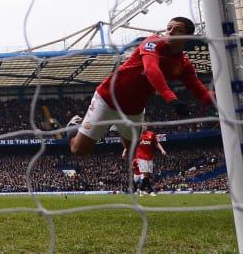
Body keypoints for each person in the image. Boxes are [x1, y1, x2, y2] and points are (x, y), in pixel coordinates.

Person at [68, 17, 214, 156]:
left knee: (132, 150)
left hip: (133, 109)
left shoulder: (184, 65)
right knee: (79, 150)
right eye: (168, 28)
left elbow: (201, 93)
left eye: (177, 30)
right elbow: (151, 70)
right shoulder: (153, 42)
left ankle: (117, 124)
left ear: (188, 36)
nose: (170, 32)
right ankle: (74, 125)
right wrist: (172, 99)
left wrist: (226, 97)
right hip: (108, 99)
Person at [128, 123, 166, 196]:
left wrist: (162, 150)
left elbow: (156, 143)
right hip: (141, 157)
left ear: (147, 127)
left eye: (144, 126)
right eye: (141, 126)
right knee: (145, 174)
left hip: (149, 157)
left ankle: (141, 189)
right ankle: (150, 191)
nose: (143, 127)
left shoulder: (151, 134)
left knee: (148, 174)